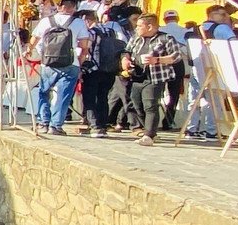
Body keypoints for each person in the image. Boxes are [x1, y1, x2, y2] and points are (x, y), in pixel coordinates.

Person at [29, 0, 89, 135]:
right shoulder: (78, 23)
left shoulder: (46, 21)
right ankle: (55, 126)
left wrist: (29, 50)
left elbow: (34, 39)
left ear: (60, 6)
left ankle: (43, 123)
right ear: (74, 8)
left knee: (44, 92)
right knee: (63, 96)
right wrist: (80, 61)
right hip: (70, 63)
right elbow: (84, 46)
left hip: (48, 63)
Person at [122, 14, 185, 146]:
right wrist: (125, 60)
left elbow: (176, 57)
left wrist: (157, 60)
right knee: (137, 105)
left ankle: (149, 134)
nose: (136, 28)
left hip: (155, 77)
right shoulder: (136, 38)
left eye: (140, 26)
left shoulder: (165, 38)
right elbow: (126, 51)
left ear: (149, 26)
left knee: (150, 105)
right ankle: (149, 130)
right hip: (136, 76)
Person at [78, 10, 127, 137]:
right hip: (109, 69)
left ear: (86, 20)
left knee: (89, 98)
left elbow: (84, 51)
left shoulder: (90, 33)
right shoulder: (111, 31)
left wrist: (79, 67)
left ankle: (94, 126)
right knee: (103, 98)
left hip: (93, 69)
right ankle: (102, 124)